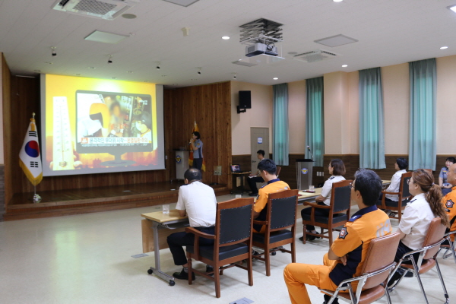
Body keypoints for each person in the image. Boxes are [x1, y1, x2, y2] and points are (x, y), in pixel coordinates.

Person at [284, 169, 392, 304]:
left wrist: (341, 253)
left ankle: (330, 295)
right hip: (375, 276)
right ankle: (330, 301)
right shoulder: (384, 216)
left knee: (290, 271)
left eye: (352, 186)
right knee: (326, 258)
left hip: (349, 281)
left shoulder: (355, 226)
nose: (350, 188)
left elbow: (332, 255)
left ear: (358, 194)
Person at [388, 169, 450, 286]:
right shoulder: (432, 200)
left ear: (416, 186)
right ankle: (395, 272)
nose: (408, 184)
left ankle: (375, 282)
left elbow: (399, 235)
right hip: (425, 251)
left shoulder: (414, 206)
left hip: (411, 254)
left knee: (376, 249)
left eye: (409, 181)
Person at [166, 168, 216, 280]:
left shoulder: (184, 189)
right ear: (201, 179)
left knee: (171, 238)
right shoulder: (209, 188)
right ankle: (210, 266)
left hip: (202, 236)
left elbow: (181, 213)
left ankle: (186, 269)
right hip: (218, 233)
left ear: (186, 180)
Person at [300, 159, 346, 241]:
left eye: (329, 166)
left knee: (304, 211)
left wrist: (314, 199)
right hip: (338, 210)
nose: (328, 167)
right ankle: (312, 232)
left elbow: (321, 198)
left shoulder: (330, 181)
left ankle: (312, 232)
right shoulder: (344, 180)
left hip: (327, 210)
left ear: (333, 168)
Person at [253, 159, 290, 233]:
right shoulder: (286, 185)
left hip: (265, 226)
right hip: (283, 222)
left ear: (264, 172)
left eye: (260, 173)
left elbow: (255, 214)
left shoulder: (264, 190)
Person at [442, 163, 456, 245]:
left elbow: (446, 220)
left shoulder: (453, 196)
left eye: (449, 171)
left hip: (446, 236)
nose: (447, 173)